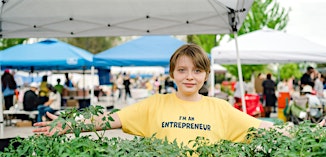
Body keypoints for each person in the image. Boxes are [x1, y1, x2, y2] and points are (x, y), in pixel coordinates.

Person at [33, 44, 284, 146]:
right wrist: (68, 126)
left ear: (206, 75)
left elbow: (262, 127)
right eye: (182, 70)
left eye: (197, 71)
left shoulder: (220, 108)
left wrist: (309, 132)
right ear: (172, 74)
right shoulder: (155, 104)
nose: (189, 77)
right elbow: (109, 120)